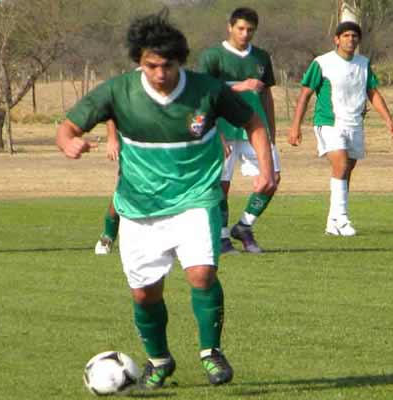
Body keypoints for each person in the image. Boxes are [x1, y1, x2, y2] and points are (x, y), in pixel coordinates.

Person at [56, 10, 275, 389]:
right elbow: (68, 126)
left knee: (202, 273)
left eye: (167, 65)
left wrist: (267, 168)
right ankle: (159, 360)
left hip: (195, 197)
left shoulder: (207, 89)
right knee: (144, 293)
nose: (160, 74)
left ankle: (211, 352)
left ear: (180, 61)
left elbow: (252, 122)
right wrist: (68, 141)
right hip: (139, 207)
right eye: (151, 65)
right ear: (139, 62)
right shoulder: (117, 91)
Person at [288, 20, 393, 236]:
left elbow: (372, 92)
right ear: (336, 39)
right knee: (340, 164)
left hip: (355, 123)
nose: (351, 39)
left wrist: (389, 120)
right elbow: (305, 94)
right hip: (330, 122)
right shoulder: (322, 62)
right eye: (346, 35)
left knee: (347, 170)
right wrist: (295, 126)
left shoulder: (363, 63)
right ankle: (342, 219)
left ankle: (333, 221)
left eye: (354, 36)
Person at [198, 7, 280, 254]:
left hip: (254, 130)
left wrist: (271, 132)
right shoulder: (212, 56)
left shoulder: (262, 58)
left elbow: (266, 95)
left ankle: (244, 225)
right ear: (230, 27)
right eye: (241, 28)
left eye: (250, 30)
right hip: (222, 128)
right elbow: (203, 95)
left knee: (272, 178)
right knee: (221, 185)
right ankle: (221, 237)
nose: (245, 34)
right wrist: (240, 87)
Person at [95, 120, 120, 255]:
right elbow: (112, 111)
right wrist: (112, 138)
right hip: (134, 146)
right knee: (123, 191)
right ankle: (108, 236)